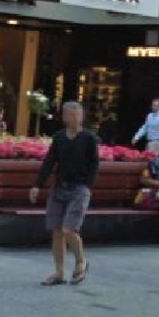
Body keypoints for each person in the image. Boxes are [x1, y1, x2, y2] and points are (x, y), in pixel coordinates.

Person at [30, 101, 99, 286]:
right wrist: (37, 185)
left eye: (78, 114)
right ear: (65, 117)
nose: (75, 117)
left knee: (69, 229)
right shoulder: (59, 137)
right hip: (60, 187)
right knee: (57, 231)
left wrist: (87, 186)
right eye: (71, 114)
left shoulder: (89, 138)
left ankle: (81, 261)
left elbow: (94, 164)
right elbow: (50, 161)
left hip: (79, 189)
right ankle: (59, 272)